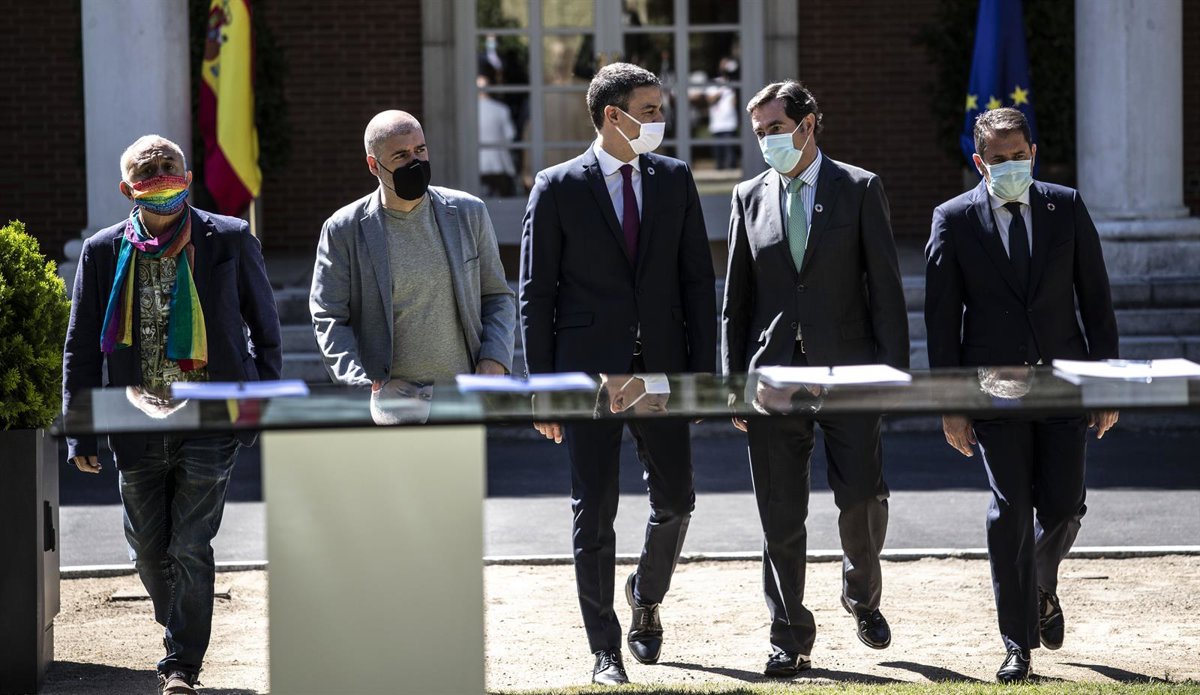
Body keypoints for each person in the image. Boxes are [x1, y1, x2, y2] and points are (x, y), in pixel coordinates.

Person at [61, 135, 282, 695]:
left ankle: (181, 664)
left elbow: (265, 328)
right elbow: (81, 346)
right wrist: (81, 430)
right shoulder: (103, 250)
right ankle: (182, 619)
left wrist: (257, 403)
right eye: (148, 169)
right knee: (146, 550)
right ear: (127, 188)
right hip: (136, 422)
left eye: (170, 165)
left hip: (211, 418)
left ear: (187, 176)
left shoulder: (228, 238)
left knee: (189, 544)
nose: (161, 173)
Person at [519, 62, 716, 686]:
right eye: (650, 110)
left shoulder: (674, 178)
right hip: (588, 375)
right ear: (613, 115)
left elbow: (696, 281)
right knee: (595, 510)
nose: (661, 120)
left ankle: (644, 595)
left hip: (660, 370)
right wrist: (544, 389)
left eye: (660, 108)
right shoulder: (556, 186)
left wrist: (702, 376)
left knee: (677, 501)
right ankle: (604, 650)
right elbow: (536, 296)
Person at [924, 107, 1119, 683]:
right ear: (979, 162)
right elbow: (942, 320)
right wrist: (951, 402)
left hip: (1063, 383)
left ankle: (1037, 581)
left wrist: (1105, 382)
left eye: (1019, 156)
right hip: (994, 389)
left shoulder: (1066, 206)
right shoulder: (953, 219)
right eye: (998, 159)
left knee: (1064, 506)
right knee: (1010, 511)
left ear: (1033, 153)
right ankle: (1017, 643)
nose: (1010, 165)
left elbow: (1096, 300)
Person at [721, 81, 909, 678]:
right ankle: (789, 635)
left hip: (850, 372)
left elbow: (885, 290)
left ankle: (862, 593)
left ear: (808, 125)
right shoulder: (748, 195)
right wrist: (734, 382)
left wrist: (892, 372)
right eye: (759, 133)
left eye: (775, 129)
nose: (766, 142)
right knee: (780, 511)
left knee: (862, 496)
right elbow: (736, 300)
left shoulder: (859, 188)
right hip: (773, 376)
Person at [311, 110, 516, 390]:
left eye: (420, 150)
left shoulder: (470, 212)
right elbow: (328, 317)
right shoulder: (343, 229)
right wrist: (358, 383)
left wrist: (494, 358)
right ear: (373, 165)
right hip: (386, 401)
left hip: (464, 393)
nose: (415, 162)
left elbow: (497, 295)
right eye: (401, 155)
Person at [477, 74, 519, 197]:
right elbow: (510, 136)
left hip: (476, 164)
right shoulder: (501, 109)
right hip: (499, 163)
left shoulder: (468, 111)